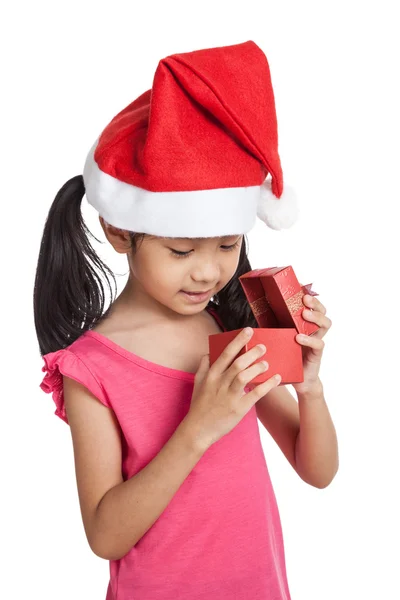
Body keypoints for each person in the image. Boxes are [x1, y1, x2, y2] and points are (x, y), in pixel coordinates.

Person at [34, 40, 338, 600]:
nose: (208, 273)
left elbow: (315, 471)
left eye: (227, 245)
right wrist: (198, 428)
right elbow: (105, 535)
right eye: (180, 251)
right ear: (120, 232)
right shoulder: (91, 369)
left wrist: (311, 388)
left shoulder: (226, 329)